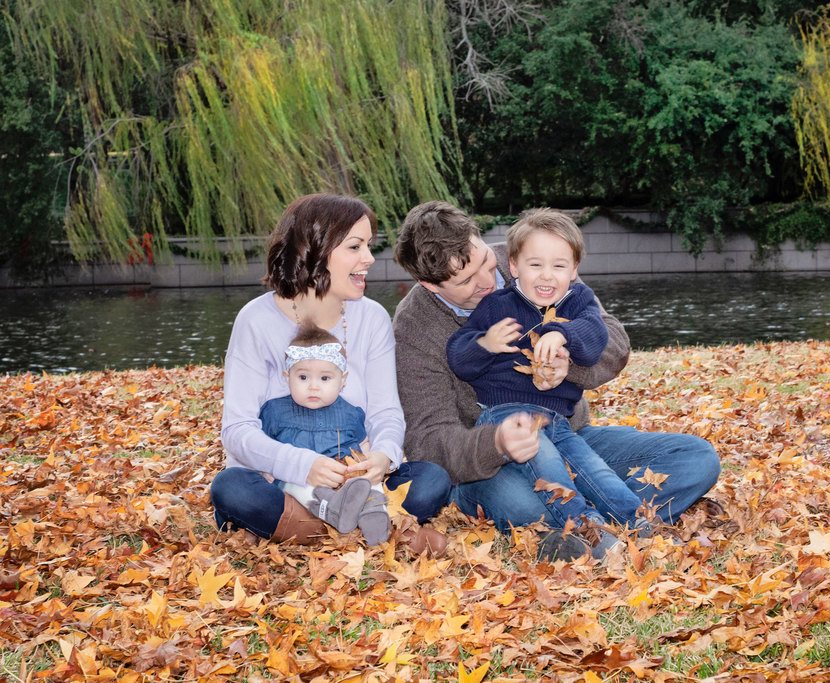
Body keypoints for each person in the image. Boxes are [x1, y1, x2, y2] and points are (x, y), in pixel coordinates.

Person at [392, 200, 721, 558]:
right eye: (467, 280)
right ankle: (581, 520)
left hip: (570, 435)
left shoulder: (533, 257)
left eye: (486, 262)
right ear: (429, 284)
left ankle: (595, 517)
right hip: (489, 466)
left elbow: (612, 338)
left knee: (696, 459)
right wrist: (497, 443)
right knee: (522, 506)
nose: (488, 281)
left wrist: (570, 364)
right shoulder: (413, 328)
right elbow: (428, 440)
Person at [210, 193, 451, 546]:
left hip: (355, 479)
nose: (368, 258)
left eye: (368, 246)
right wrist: (303, 465)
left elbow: (385, 412)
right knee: (232, 489)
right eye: (355, 247)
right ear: (316, 250)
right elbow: (238, 430)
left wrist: (382, 456)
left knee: (432, 480)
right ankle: (360, 526)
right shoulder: (256, 320)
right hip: (280, 480)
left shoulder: (372, 318)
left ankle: (312, 525)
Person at [445, 209, 650, 558]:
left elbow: (595, 335)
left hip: (559, 421)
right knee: (553, 473)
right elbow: (458, 359)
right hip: (508, 416)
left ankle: (642, 526)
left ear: (574, 270)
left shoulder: (579, 301)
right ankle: (595, 535)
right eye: (535, 264)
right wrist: (485, 344)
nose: (547, 275)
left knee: (594, 471)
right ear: (514, 266)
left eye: (558, 266)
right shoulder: (497, 306)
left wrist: (561, 334)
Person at [259, 322, 389, 545]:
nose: (313, 386)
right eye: (303, 378)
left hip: (344, 476)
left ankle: (374, 513)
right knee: (297, 485)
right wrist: (266, 474)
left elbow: (363, 448)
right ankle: (334, 510)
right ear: (286, 376)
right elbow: (263, 448)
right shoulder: (274, 411)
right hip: (301, 481)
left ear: (343, 380)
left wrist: (365, 466)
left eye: (325, 378)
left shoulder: (351, 413)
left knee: (367, 481)